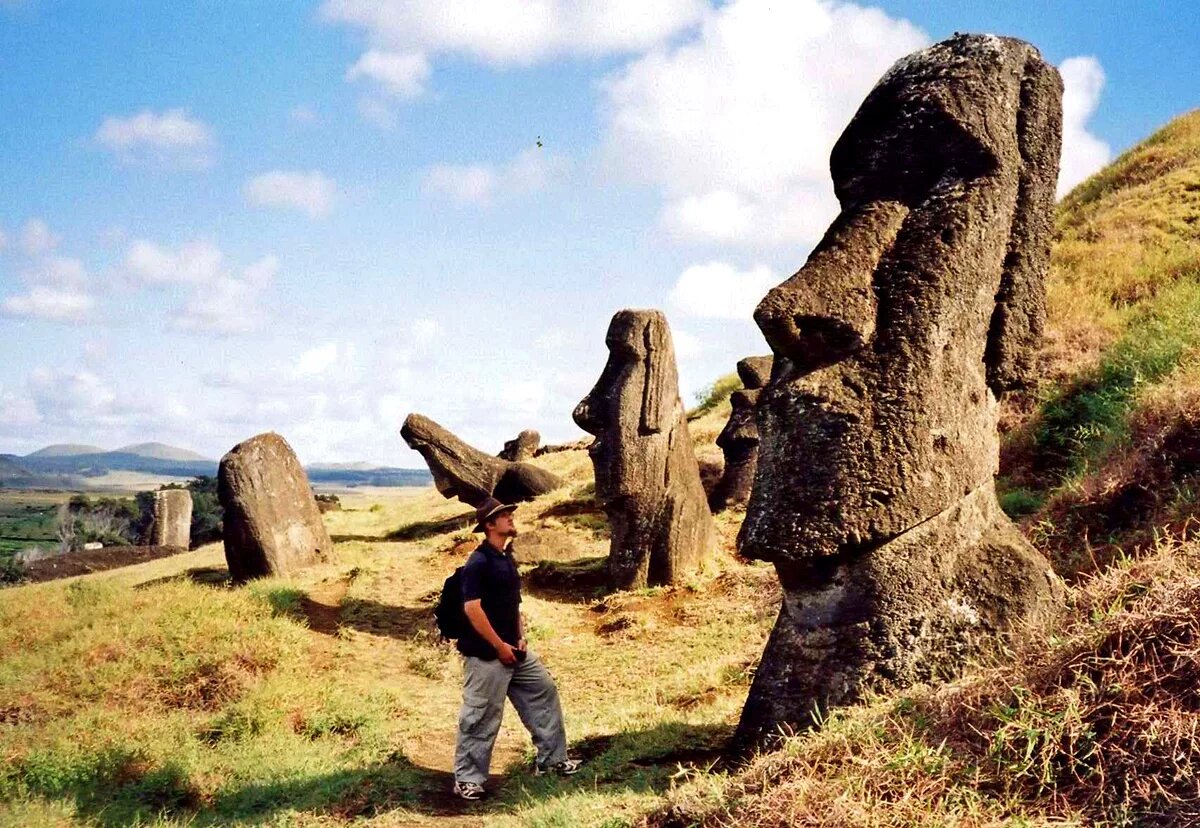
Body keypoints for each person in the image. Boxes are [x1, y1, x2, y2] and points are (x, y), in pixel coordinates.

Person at [452, 496, 580, 801]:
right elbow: (472, 609)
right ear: (489, 525)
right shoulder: (478, 562)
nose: (510, 517)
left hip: (515, 650)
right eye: (504, 515)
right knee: (481, 715)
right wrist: (498, 646)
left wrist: (520, 638)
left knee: (543, 690)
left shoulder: (505, 557)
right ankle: (467, 780)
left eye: (509, 512)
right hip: (487, 655)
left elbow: (514, 605)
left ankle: (552, 761)